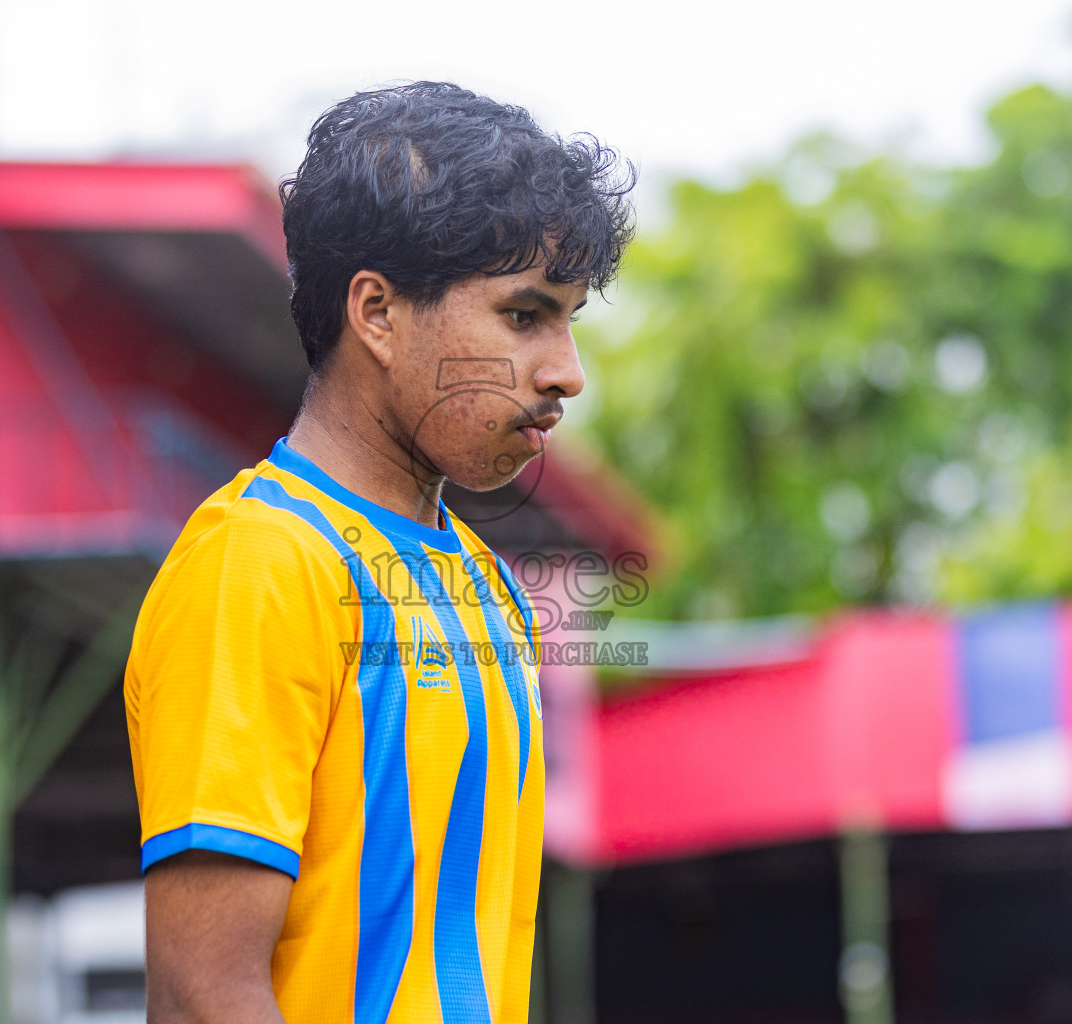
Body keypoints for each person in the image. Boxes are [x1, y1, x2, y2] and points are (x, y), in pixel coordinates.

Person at [125, 81, 634, 1024]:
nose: (567, 371)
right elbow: (201, 996)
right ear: (377, 313)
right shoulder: (259, 564)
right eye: (524, 315)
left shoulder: (486, 587)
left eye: (570, 320)